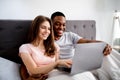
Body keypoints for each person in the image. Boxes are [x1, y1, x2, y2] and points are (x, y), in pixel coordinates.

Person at [50, 11, 112, 79]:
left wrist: (104, 44)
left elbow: (87, 41)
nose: (61, 27)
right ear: (51, 24)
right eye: (57, 24)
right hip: (59, 67)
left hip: (74, 65)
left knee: (107, 53)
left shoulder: (70, 35)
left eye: (64, 25)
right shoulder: (46, 39)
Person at [19, 15, 73, 80]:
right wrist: (57, 63)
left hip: (55, 75)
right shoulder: (25, 48)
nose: (47, 31)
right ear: (35, 28)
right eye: (43, 27)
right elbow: (34, 70)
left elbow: (56, 67)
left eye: (49, 29)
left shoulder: (54, 46)